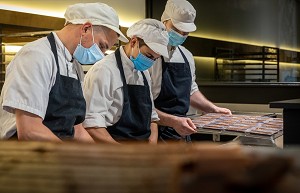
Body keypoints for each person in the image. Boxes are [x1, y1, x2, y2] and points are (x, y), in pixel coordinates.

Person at [0, 2, 128, 142]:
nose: (102, 54)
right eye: (102, 46)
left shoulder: (74, 66)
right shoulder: (36, 55)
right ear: (85, 29)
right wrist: (68, 155)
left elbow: (76, 128)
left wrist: (98, 155)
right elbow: (30, 130)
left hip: (58, 152)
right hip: (25, 154)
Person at [149, 0, 231, 142]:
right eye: (176, 29)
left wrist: (212, 109)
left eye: (185, 32)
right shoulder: (150, 55)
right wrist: (172, 121)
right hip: (154, 131)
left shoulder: (186, 55)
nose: (181, 35)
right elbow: (143, 105)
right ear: (164, 22)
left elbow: (191, 91)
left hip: (182, 131)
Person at [83, 19, 169, 144]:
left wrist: (152, 146)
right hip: (114, 149)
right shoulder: (104, 70)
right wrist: (123, 153)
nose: (150, 63)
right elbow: (92, 124)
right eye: (149, 56)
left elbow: (152, 117)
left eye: (155, 59)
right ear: (134, 41)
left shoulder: (144, 72)